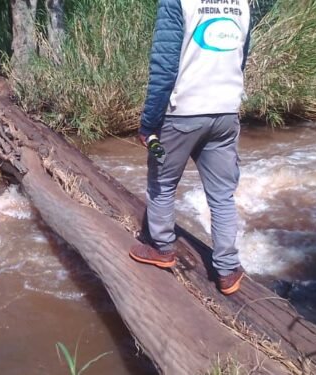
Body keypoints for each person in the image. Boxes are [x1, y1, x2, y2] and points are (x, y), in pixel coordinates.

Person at [130, 0, 251, 296]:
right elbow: (241, 56)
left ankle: (162, 249)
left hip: (183, 113)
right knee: (222, 195)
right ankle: (227, 271)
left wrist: (148, 125)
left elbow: (164, 66)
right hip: (226, 112)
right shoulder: (243, 4)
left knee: (162, 185)